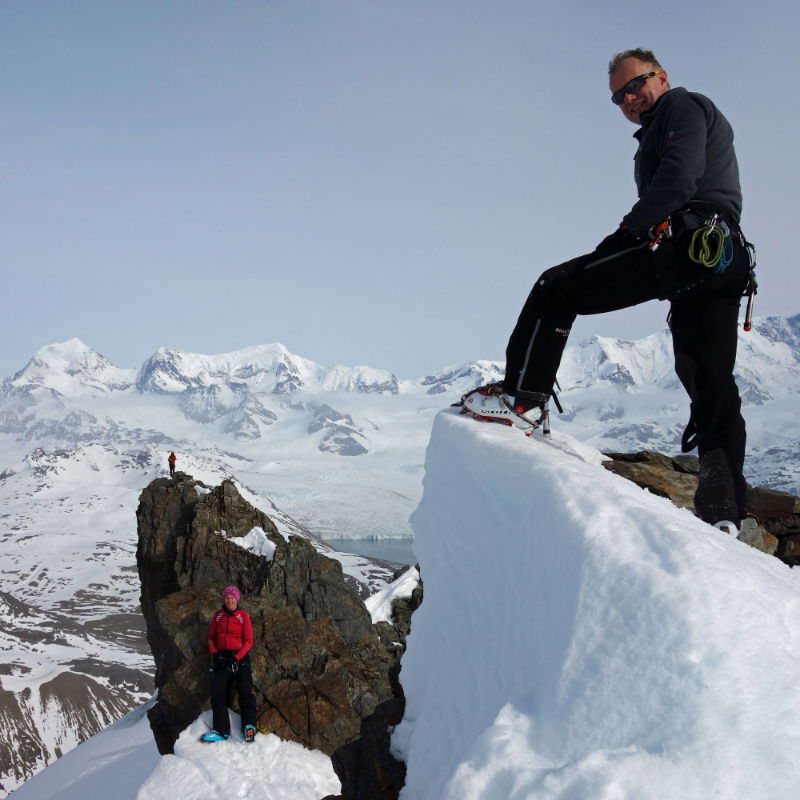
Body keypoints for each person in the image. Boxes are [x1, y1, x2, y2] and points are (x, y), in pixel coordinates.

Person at [462, 48, 755, 534]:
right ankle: (724, 511)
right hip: (720, 261)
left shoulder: (681, 106)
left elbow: (679, 180)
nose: (630, 99)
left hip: (686, 242)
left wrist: (627, 234)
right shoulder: (671, 121)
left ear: (661, 77)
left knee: (557, 287)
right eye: (619, 96)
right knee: (710, 383)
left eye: (636, 85)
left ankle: (522, 400)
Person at [201, 585, 258, 743]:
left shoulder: (243, 616)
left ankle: (249, 726)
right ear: (224, 600)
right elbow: (211, 638)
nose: (229, 600)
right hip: (222, 658)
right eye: (227, 598)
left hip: (240, 657)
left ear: (237, 599)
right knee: (217, 690)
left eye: (232, 597)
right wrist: (215, 654)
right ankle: (221, 730)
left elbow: (249, 641)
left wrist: (237, 657)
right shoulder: (218, 616)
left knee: (245, 689)